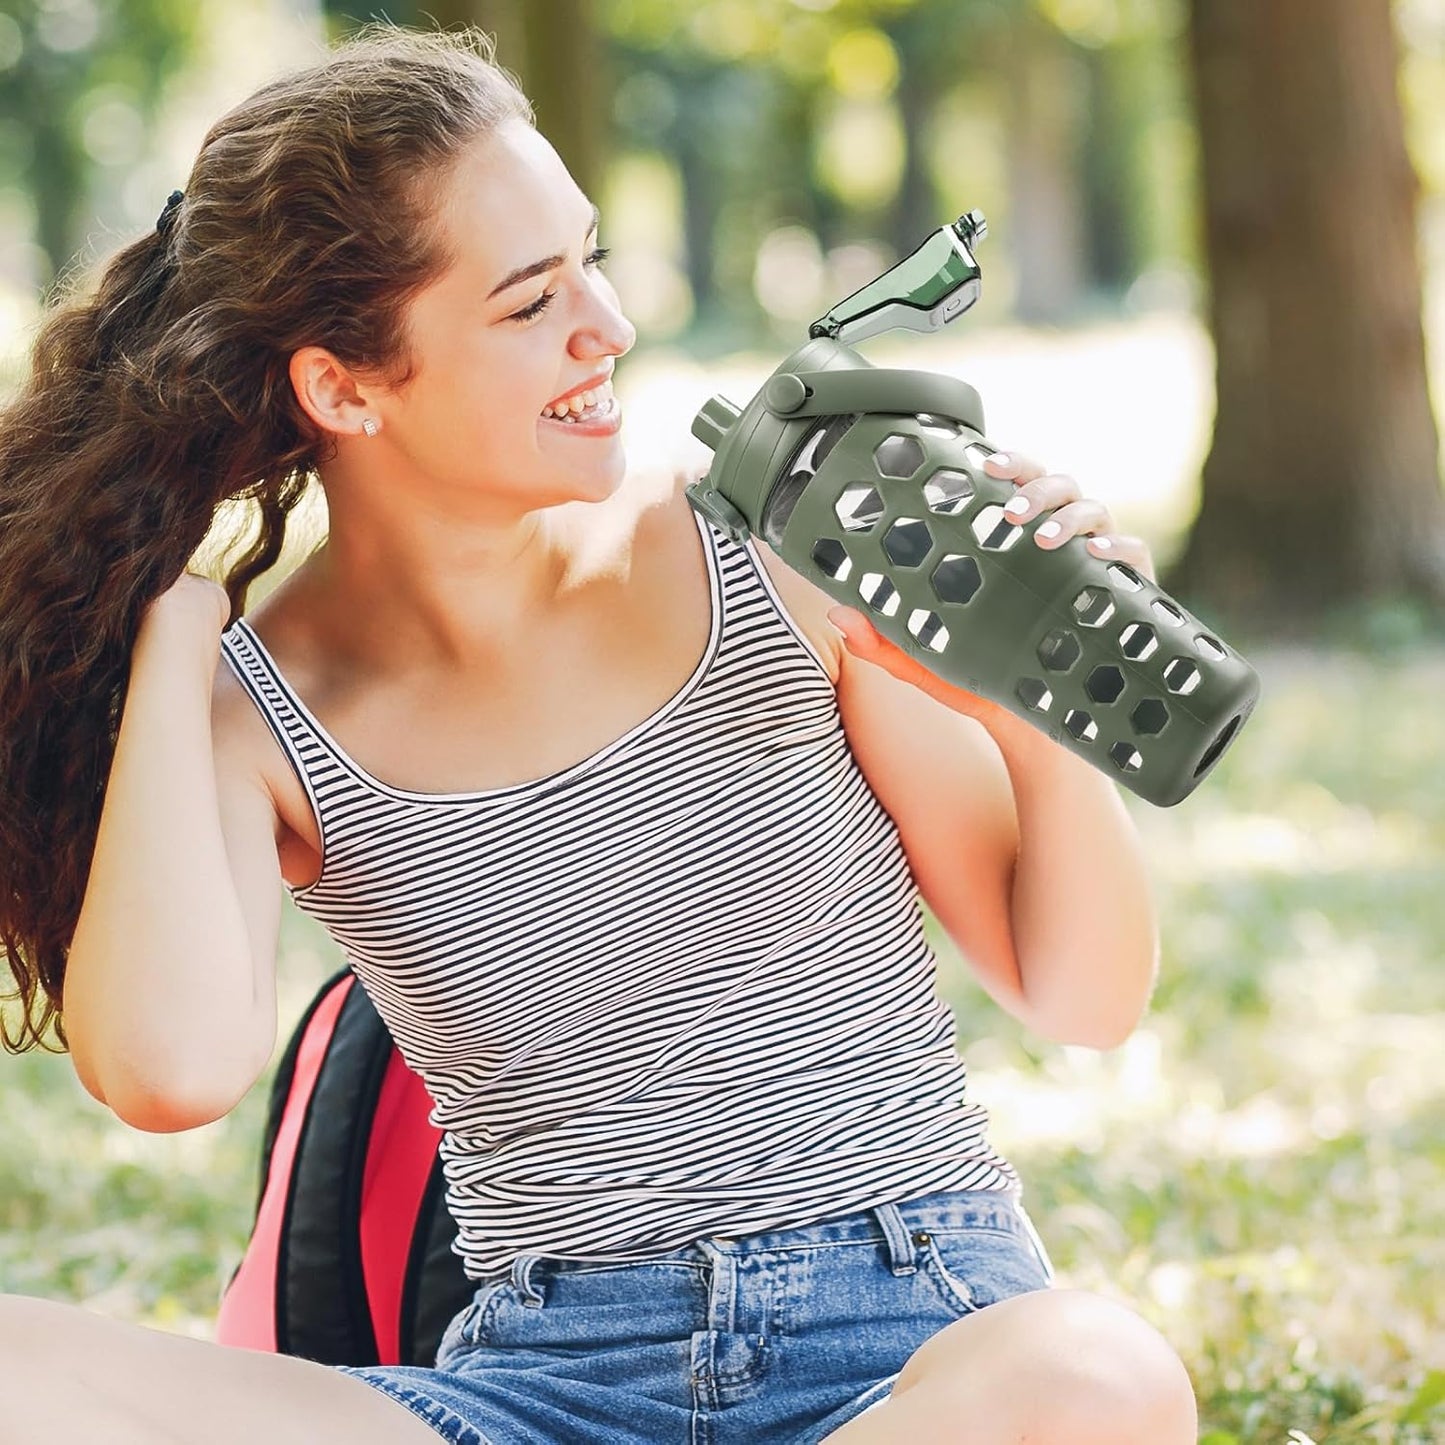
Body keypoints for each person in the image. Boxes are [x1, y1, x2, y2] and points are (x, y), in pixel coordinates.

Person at [0, 25, 1198, 1445]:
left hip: (918, 1343)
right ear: (344, 386)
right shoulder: (257, 711)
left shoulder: (764, 549)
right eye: (528, 302)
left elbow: (1081, 995)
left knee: (1096, 1376)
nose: (608, 329)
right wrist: (175, 627)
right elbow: (169, 1068)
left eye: (591, 261)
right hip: (543, 1387)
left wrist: (1023, 692)